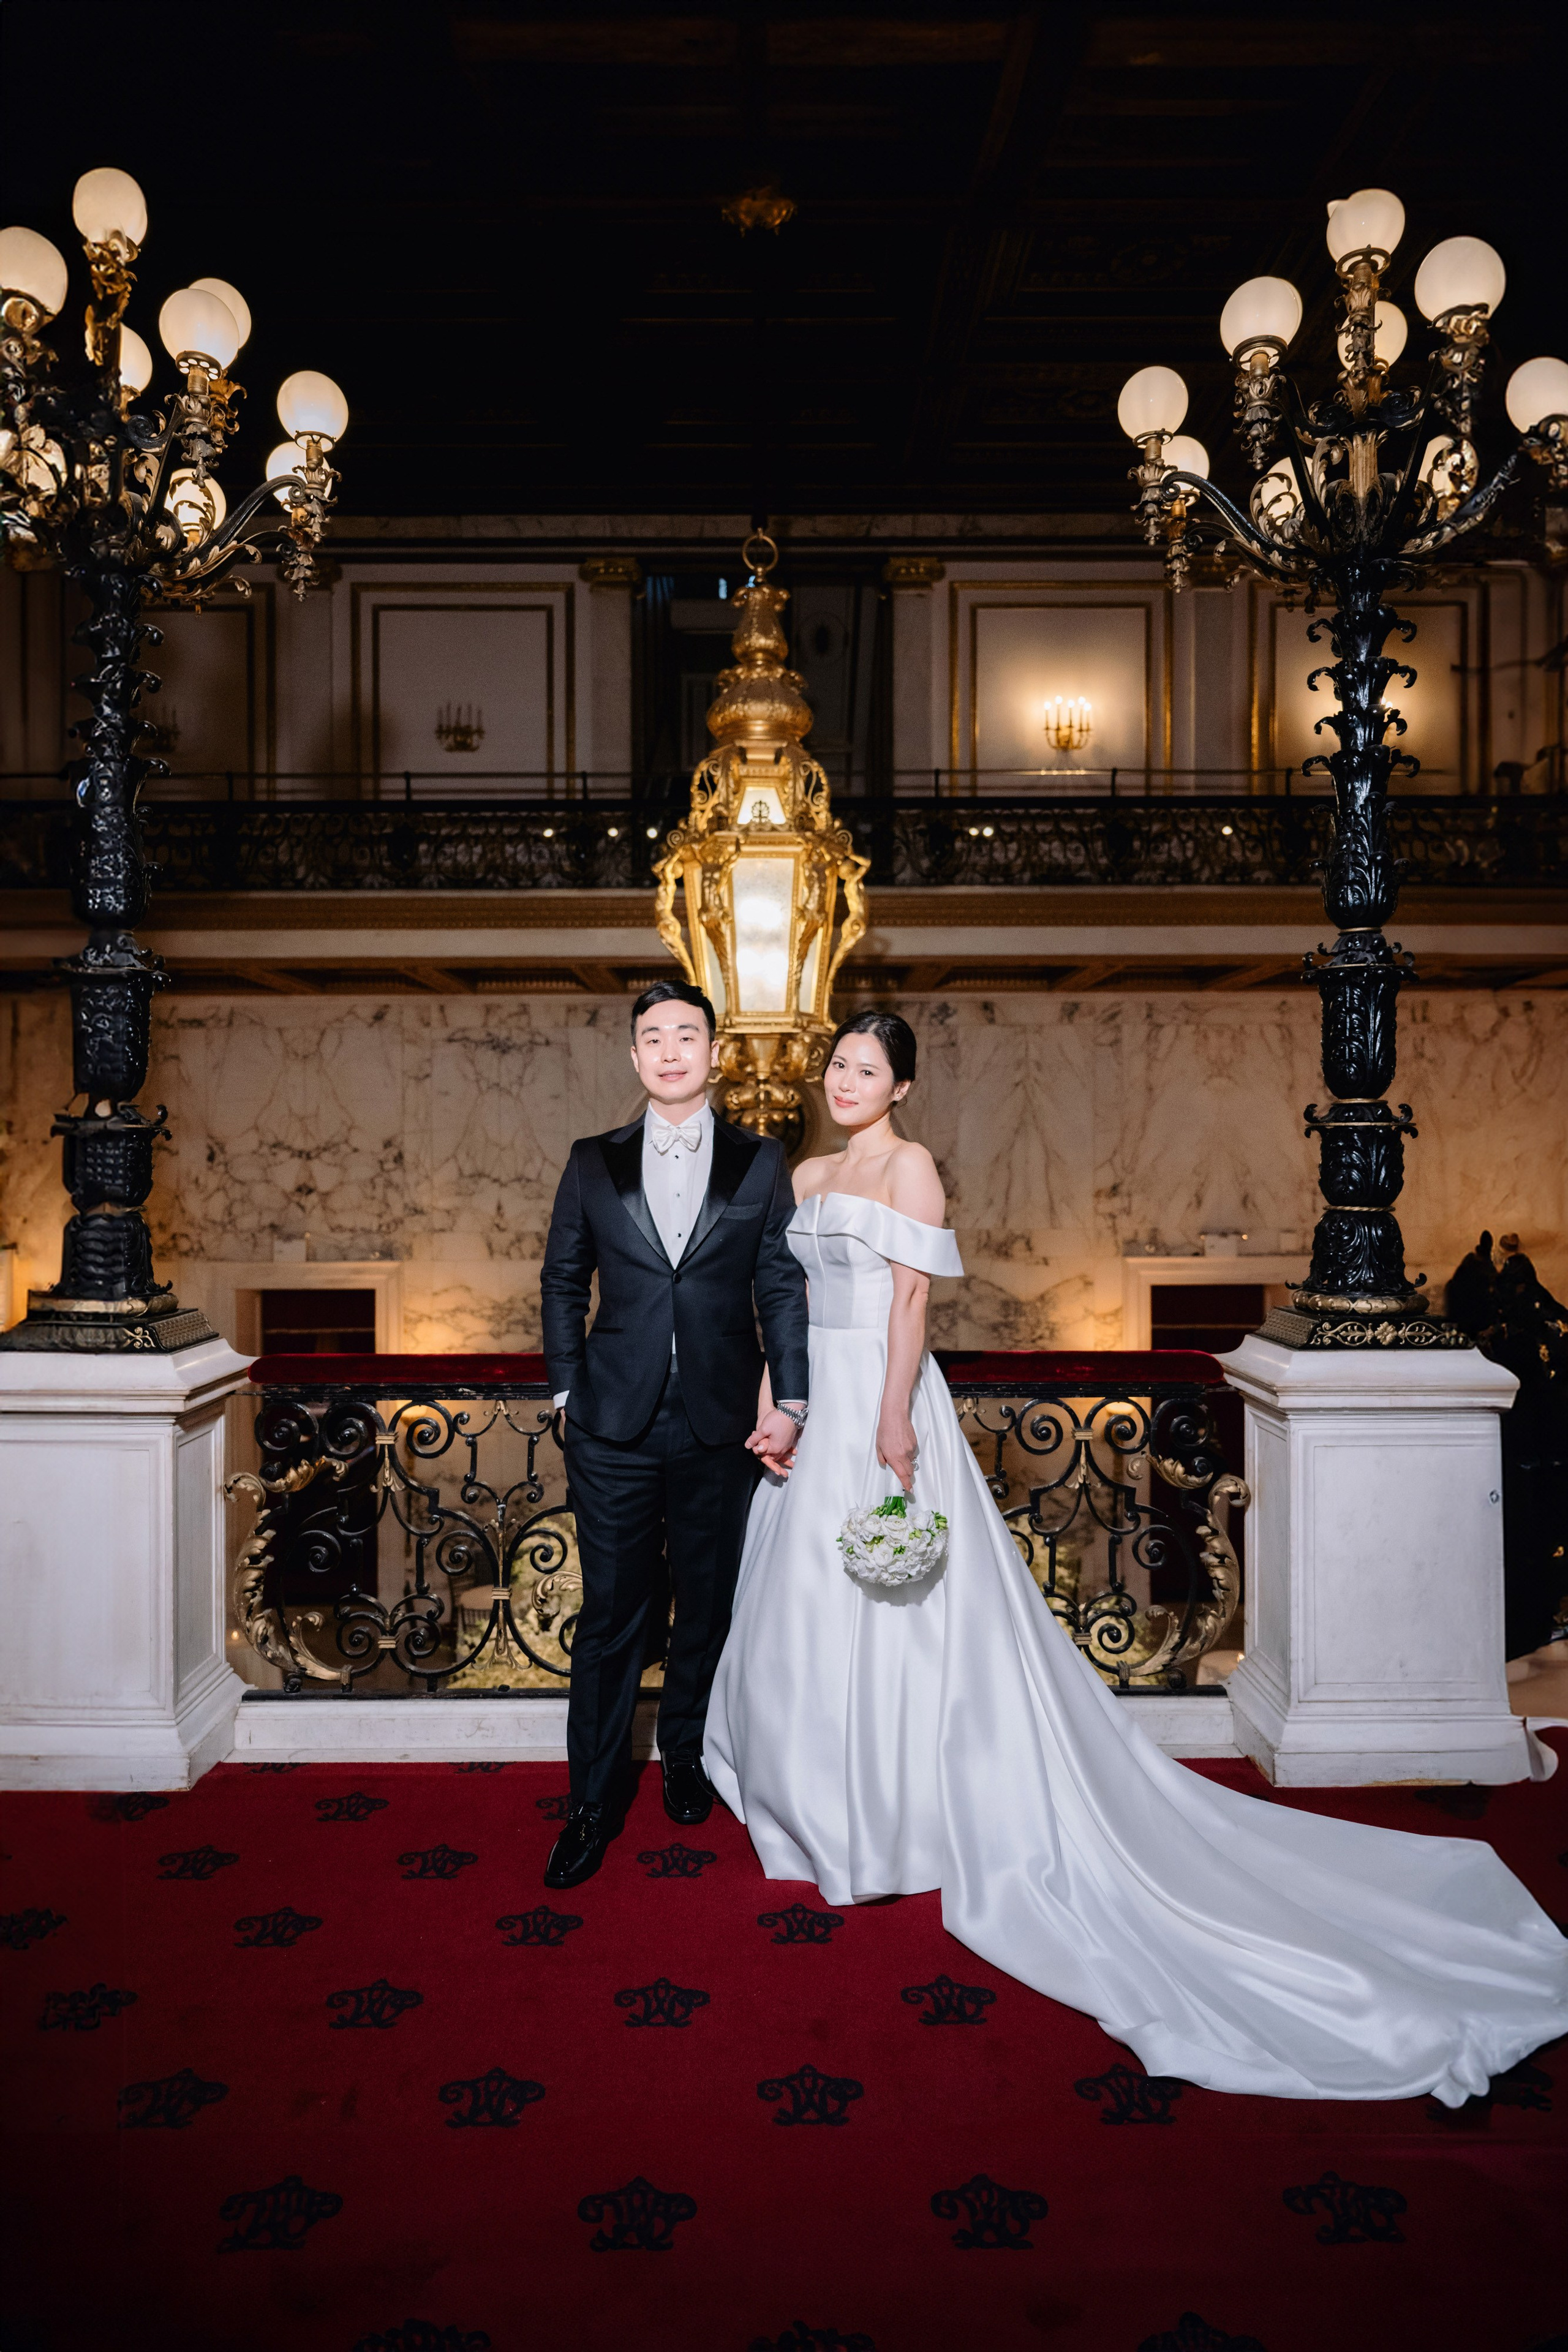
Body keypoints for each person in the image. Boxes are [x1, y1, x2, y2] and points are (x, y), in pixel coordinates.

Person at [704, 1008, 1568, 2104]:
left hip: (882, 1397)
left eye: (867, 1069)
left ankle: (898, 1814)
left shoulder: (911, 1168)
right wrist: (781, 1402)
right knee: (803, 1611)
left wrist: (890, 1420)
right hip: (814, 1397)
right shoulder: (808, 1172)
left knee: (903, 1609)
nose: (844, 1081)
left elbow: (911, 1300)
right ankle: (813, 1799)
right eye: (838, 1064)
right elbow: (781, 1303)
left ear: (902, 1087)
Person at [538, 978, 809, 1888]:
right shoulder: (592, 1160)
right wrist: (568, 1390)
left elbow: (780, 1285)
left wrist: (792, 1401)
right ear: (634, 1056)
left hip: (721, 1424)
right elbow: (563, 1279)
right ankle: (590, 1802)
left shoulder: (761, 1161)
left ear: (714, 1054)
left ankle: (685, 1753)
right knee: (611, 1615)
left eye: (685, 1036)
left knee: (707, 1603)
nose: (669, 1051)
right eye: (652, 1037)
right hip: (611, 1423)